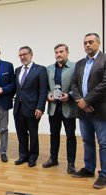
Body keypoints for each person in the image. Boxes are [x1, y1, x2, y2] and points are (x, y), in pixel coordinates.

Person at [71, 33, 106, 189]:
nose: (87, 45)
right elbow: (73, 85)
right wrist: (81, 101)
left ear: (98, 43)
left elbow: (104, 85)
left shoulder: (104, 60)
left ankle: (104, 174)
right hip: (83, 110)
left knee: (104, 143)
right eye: (85, 43)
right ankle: (89, 168)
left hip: (100, 110)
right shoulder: (79, 64)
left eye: (91, 42)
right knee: (87, 141)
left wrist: (87, 100)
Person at [42, 44, 77, 174]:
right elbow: (44, 88)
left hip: (68, 107)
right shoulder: (49, 69)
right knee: (54, 135)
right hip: (54, 108)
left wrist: (70, 95)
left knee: (71, 136)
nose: (58, 54)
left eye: (61, 52)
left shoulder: (75, 67)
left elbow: (78, 86)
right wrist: (48, 96)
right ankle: (53, 159)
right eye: (56, 52)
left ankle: (71, 163)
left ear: (67, 53)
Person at [13, 46, 48, 167]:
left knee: (33, 134)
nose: (23, 57)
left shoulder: (40, 69)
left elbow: (43, 90)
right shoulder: (17, 70)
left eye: (25, 54)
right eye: (20, 55)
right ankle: (23, 156)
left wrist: (40, 107)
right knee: (21, 133)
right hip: (18, 107)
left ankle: (33, 157)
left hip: (33, 108)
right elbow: (17, 89)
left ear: (31, 55)